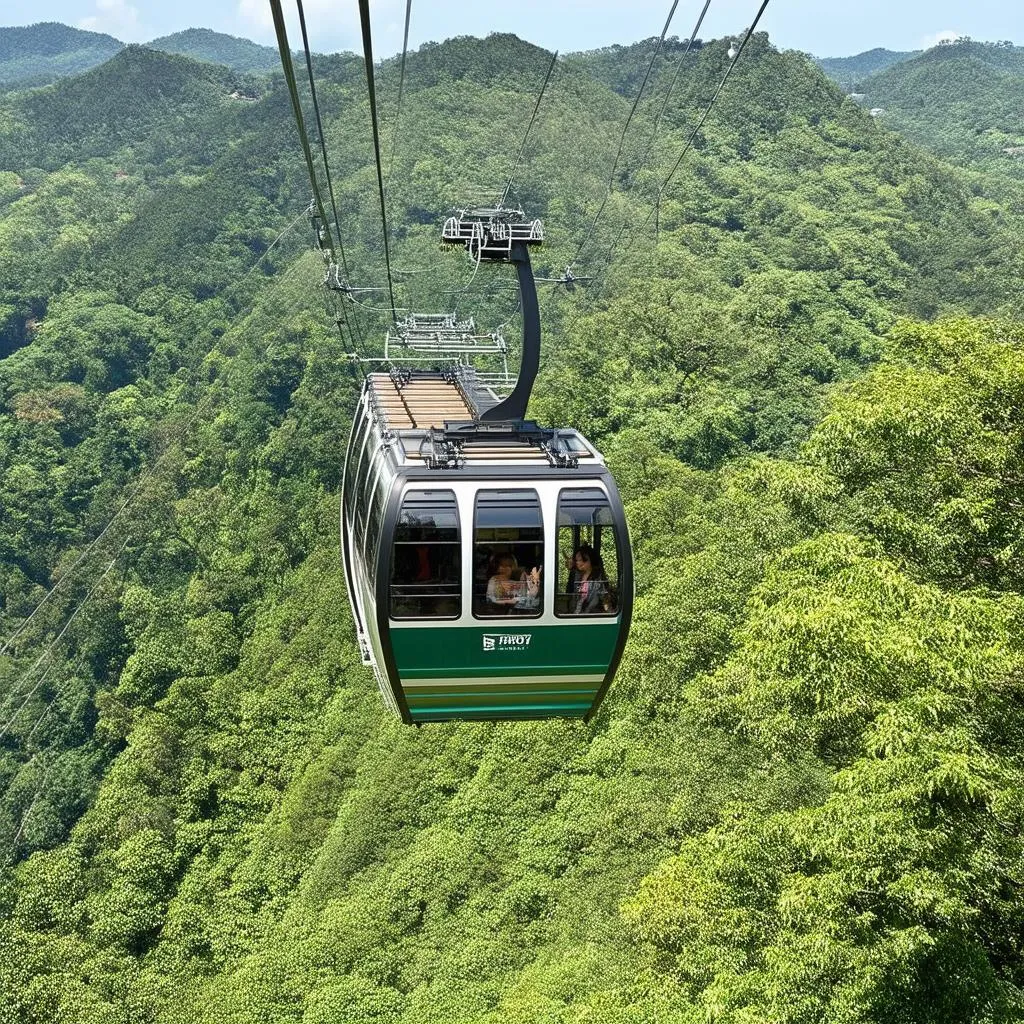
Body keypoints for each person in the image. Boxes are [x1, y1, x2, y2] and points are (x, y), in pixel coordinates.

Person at [567, 544, 610, 613]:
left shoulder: (598, 577)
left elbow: (604, 598)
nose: (577, 563)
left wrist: (609, 613)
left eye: (580, 560)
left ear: (589, 560)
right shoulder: (576, 575)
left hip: (590, 615)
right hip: (575, 614)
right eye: (576, 560)